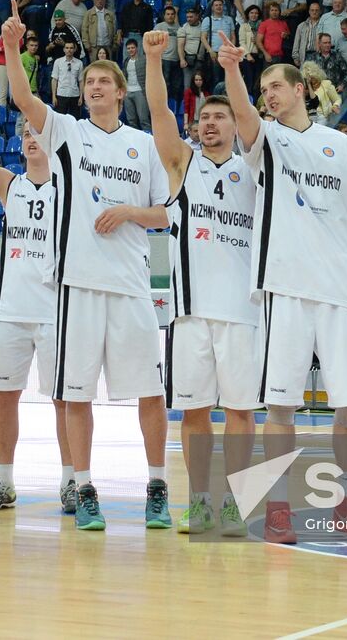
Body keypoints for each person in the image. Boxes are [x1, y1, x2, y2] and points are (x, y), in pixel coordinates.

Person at [0, 0, 171, 532]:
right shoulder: (66, 132)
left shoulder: (143, 145)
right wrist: (11, 44)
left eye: (105, 82)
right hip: (75, 284)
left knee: (151, 392)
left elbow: (165, 215)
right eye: (90, 82)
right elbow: (24, 97)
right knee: (74, 393)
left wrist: (127, 212)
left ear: (121, 92)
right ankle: (84, 485)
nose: (95, 87)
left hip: (131, 285)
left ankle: (158, 486)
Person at [216, 30, 347, 546]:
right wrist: (232, 70)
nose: (268, 93)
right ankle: (278, 507)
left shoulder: (341, 147)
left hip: (340, 292)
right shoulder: (266, 139)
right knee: (283, 407)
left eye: (275, 85)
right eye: (262, 86)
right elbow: (243, 117)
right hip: (285, 289)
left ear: (301, 90)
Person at [138, 29, 260, 536]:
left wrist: (237, 82)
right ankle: (202, 500)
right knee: (192, 414)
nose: (210, 122)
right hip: (188, 314)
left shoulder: (256, 166)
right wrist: (151, 59)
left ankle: (235, 502)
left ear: (236, 122)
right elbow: (160, 113)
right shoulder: (181, 166)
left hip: (242, 312)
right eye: (204, 117)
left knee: (239, 414)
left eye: (220, 116)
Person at [0, 68, 74, 515]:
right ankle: (3, 482)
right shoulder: (10, 185)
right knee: (5, 398)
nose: (29, 138)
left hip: (57, 310)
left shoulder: (71, 186)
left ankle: (71, 482)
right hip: (12, 312)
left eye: (36, 132)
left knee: (65, 401)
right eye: (24, 132)